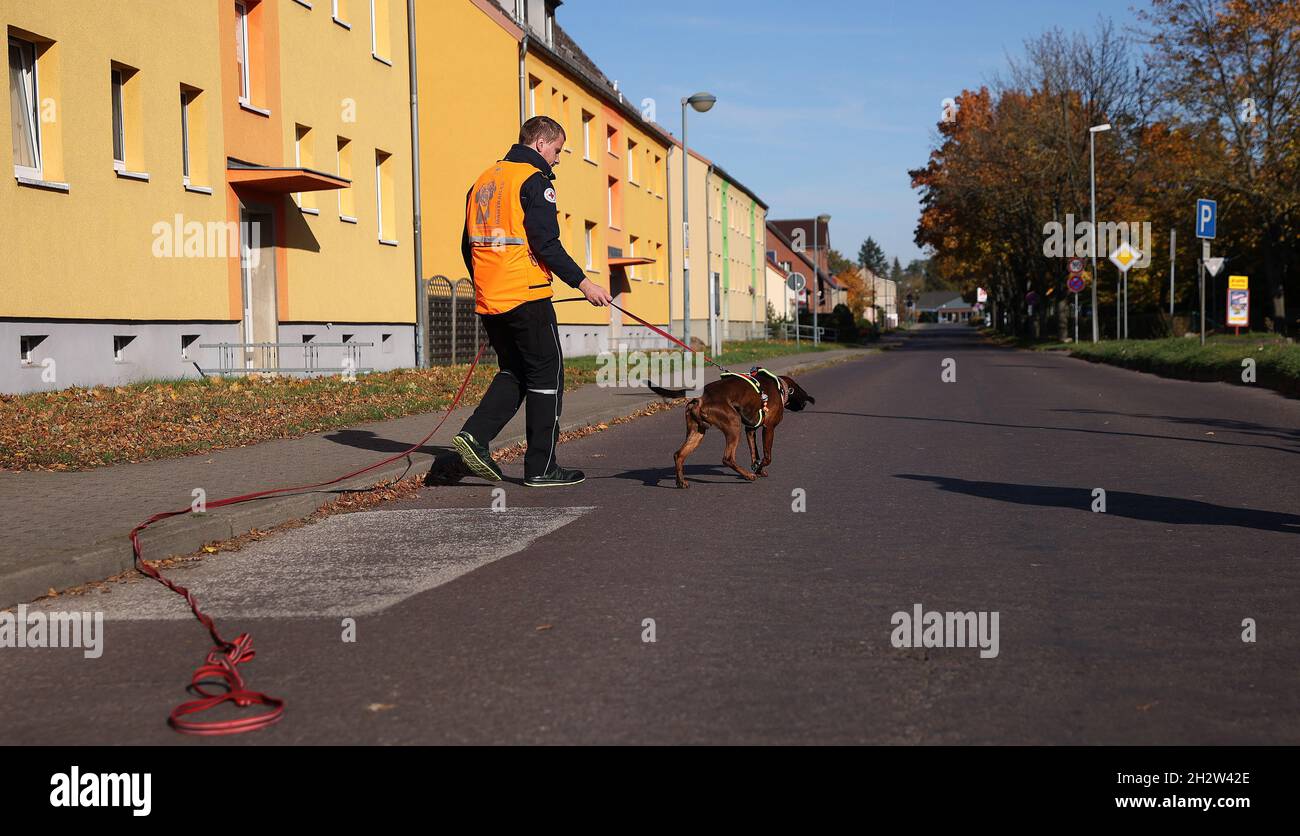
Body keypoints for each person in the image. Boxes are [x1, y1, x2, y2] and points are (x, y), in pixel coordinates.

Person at [452, 115, 613, 487]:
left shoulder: (483, 181)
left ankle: (474, 437)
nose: (557, 159)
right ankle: (541, 467)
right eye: (557, 151)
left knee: (516, 372)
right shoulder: (533, 181)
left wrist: (486, 283)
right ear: (541, 144)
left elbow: (467, 245)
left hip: (491, 299)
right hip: (527, 295)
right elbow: (545, 243)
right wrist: (584, 283)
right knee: (546, 375)